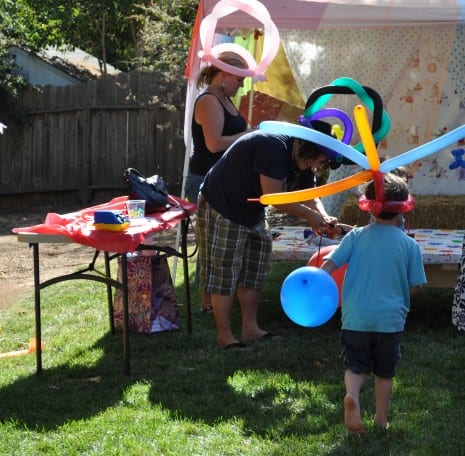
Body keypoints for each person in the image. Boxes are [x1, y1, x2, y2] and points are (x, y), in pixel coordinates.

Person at [197, 121, 345, 349]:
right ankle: (224, 337)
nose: (317, 165)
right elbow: (273, 197)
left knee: (254, 270)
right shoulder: (271, 146)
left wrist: (323, 217)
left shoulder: (301, 159)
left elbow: (310, 195)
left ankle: (250, 329)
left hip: (251, 211)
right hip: (224, 204)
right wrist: (310, 217)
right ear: (307, 147)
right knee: (225, 272)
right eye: (319, 159)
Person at [320, 172, 427, 434]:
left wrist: (315, 281)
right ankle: (380, 418)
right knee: (384, 372)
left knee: (356, 366)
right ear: (403, 210)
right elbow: (416, 285)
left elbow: (329, 263)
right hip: (389, 320)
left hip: (356, 316)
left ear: (369, 207)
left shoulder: (355, 237)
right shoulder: (409, 246)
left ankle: (353, 395)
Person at [185, 51, 253, 313]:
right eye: (239, 79)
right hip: (205, 180)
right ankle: (206, 303)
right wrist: (250, 135)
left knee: (228, 243)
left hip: (224, 179)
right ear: (223, 74)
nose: (242, 85)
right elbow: (214, 144)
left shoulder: (224, 98)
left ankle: (224, 296)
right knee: (212, 244)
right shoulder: (209, 102)